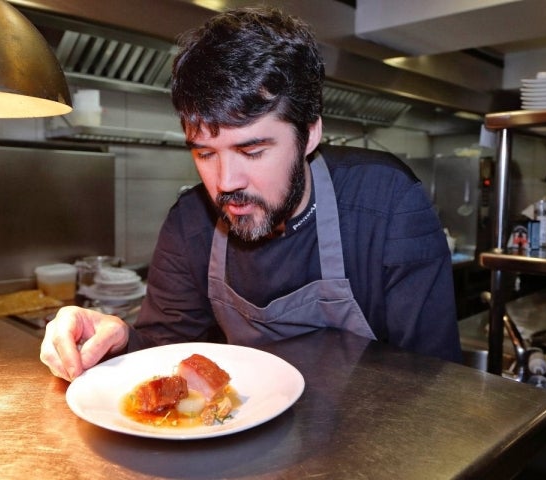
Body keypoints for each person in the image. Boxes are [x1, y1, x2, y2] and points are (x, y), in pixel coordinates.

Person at [40, 6, 462, 381]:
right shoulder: (191, 222)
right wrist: (117, 342)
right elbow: (165, 353)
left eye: (252, 150)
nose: (225, 182)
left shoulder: (387, 205)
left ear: (309, 132)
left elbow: (432, 380)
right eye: (205, 153)